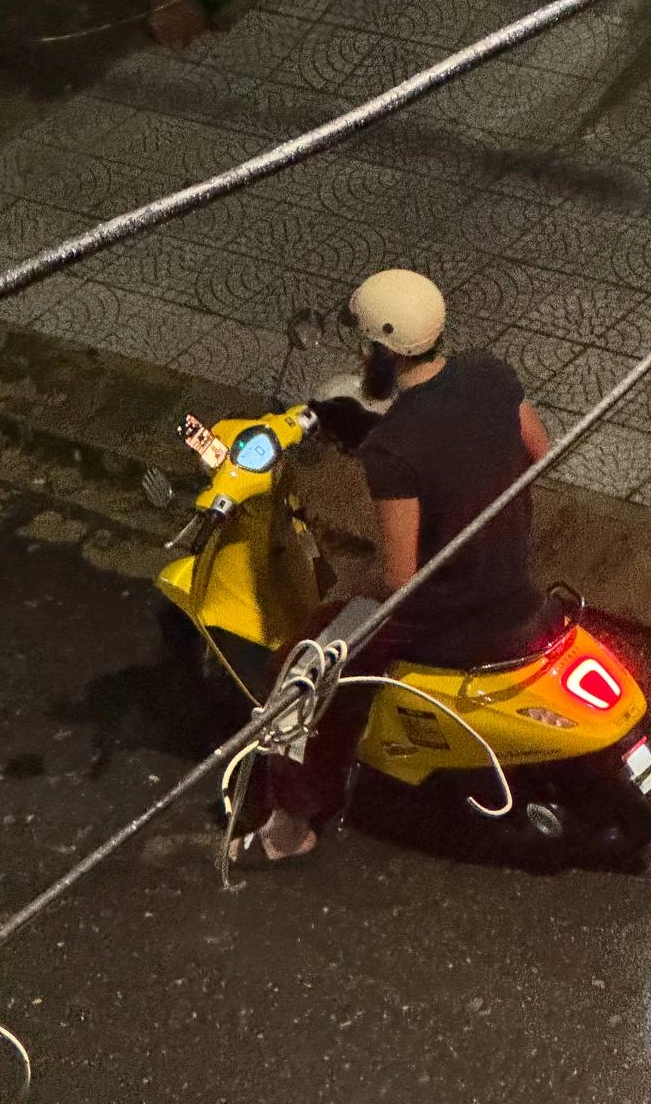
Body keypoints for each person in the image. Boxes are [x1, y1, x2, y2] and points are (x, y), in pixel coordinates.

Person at [228, 269, 552, 868]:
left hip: (451, 609)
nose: (359, 350)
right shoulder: (490, 373)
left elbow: (402, 579)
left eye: (363, 342)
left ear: (381, 350)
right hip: (509, 574)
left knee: (309, 666)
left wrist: (354, 591)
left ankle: (289, 827)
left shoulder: (394, 446)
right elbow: (540, 453)